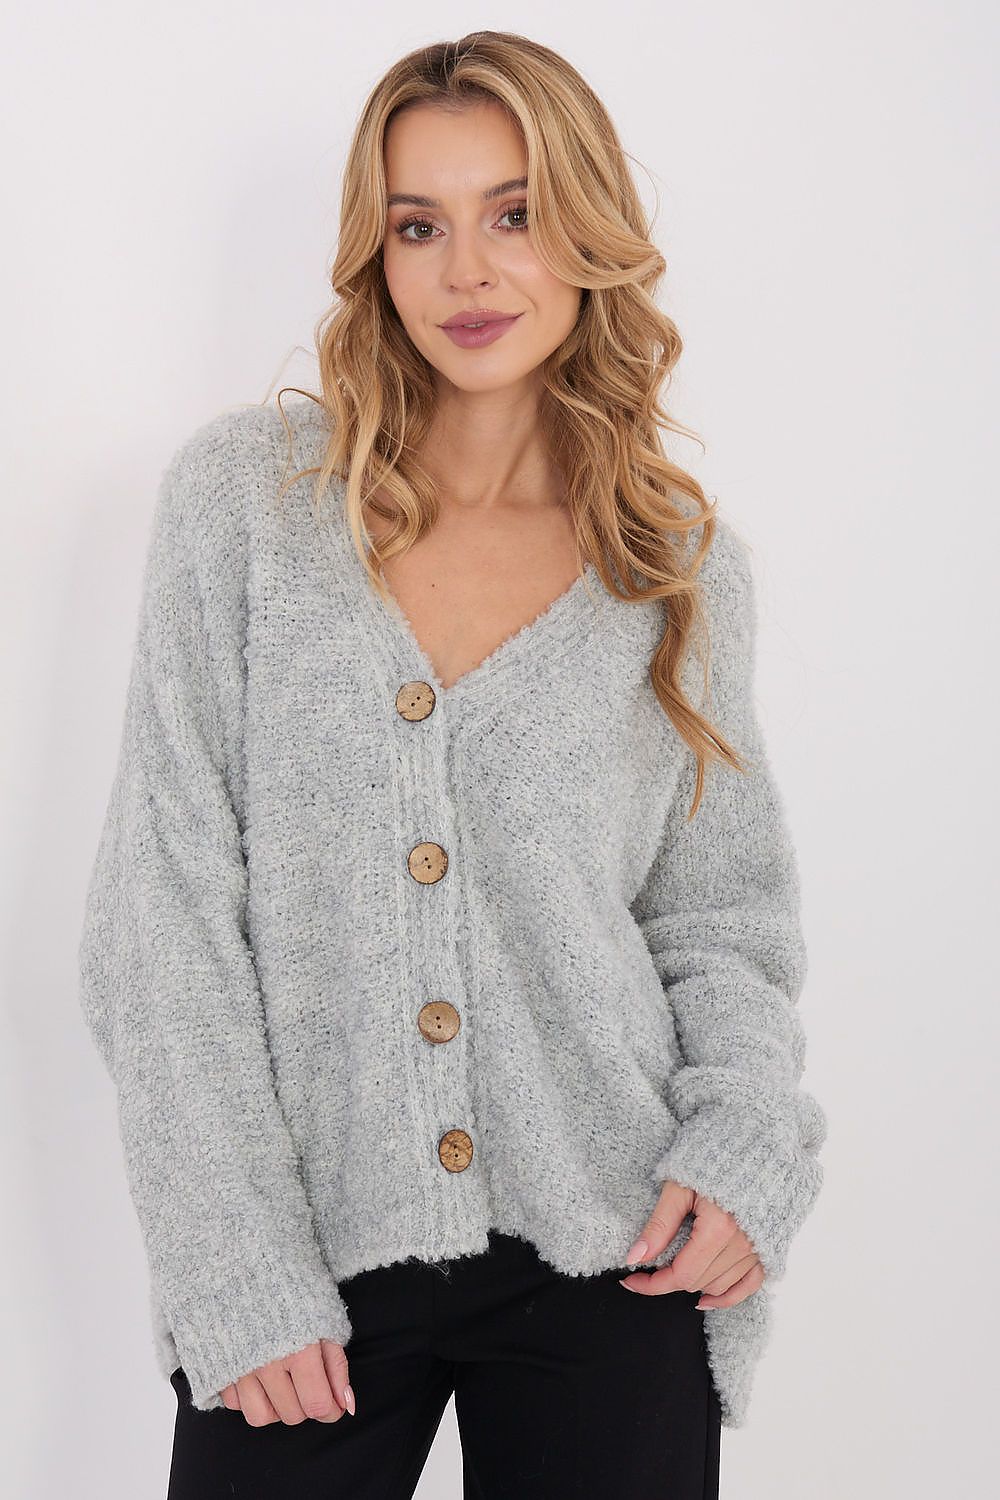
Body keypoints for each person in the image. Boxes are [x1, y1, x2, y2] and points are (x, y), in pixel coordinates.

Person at [77, 29, 826, 1500]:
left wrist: (744, 1143)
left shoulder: (672, 568)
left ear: (589, 230)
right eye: (420, 225)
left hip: (616, 1243)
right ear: (377, 253)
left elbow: (720, 919)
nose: (468, 272)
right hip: (306, 1257)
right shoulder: (247, 507)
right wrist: (231, 1260)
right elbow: (160, 913)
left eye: (515, 214)